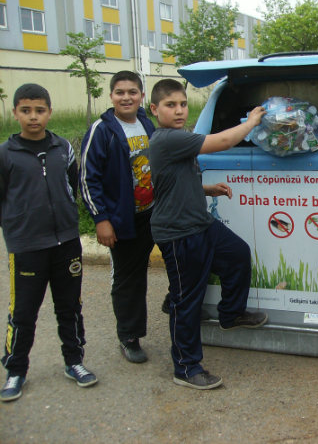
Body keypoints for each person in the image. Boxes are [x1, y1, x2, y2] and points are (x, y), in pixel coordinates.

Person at [148, 79, 268, 390]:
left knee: (237, 254)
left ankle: (231, 314)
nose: (178, 110)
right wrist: (253, 122)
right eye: (170, 105)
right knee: (186, 301)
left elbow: (172, 182)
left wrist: (205, 189)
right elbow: (225, 141)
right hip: (179, 234)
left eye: (183, 104)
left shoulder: (178, 138)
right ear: (154, 109)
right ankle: (186, 368)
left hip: (200, 223)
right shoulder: (165, 139)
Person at [0, 84, 98, 402]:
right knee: (24, 312)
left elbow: (73, 184)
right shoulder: (5, 154)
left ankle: (74, 362)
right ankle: (16, 370)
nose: (33, 117)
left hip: (66, 242)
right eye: (26, 110)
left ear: (49, 113)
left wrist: (70, 218)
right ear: (15, 112)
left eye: (39, 110)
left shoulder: (62, 148)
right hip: (27, 247)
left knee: (69, 307)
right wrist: (16, 230)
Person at [80, 71, 156, 363]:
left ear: (141, 96)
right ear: (111, 96)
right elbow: (88, 179)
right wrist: (101, 219)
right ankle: (129, 337)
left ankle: (181, 311)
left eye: (133, 92)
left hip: (151, 213)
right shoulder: (102, 130)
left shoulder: (146, 124)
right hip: (122, 220)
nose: (127, 97)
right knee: (129, 280)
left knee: (184, 255)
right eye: (120, 92)